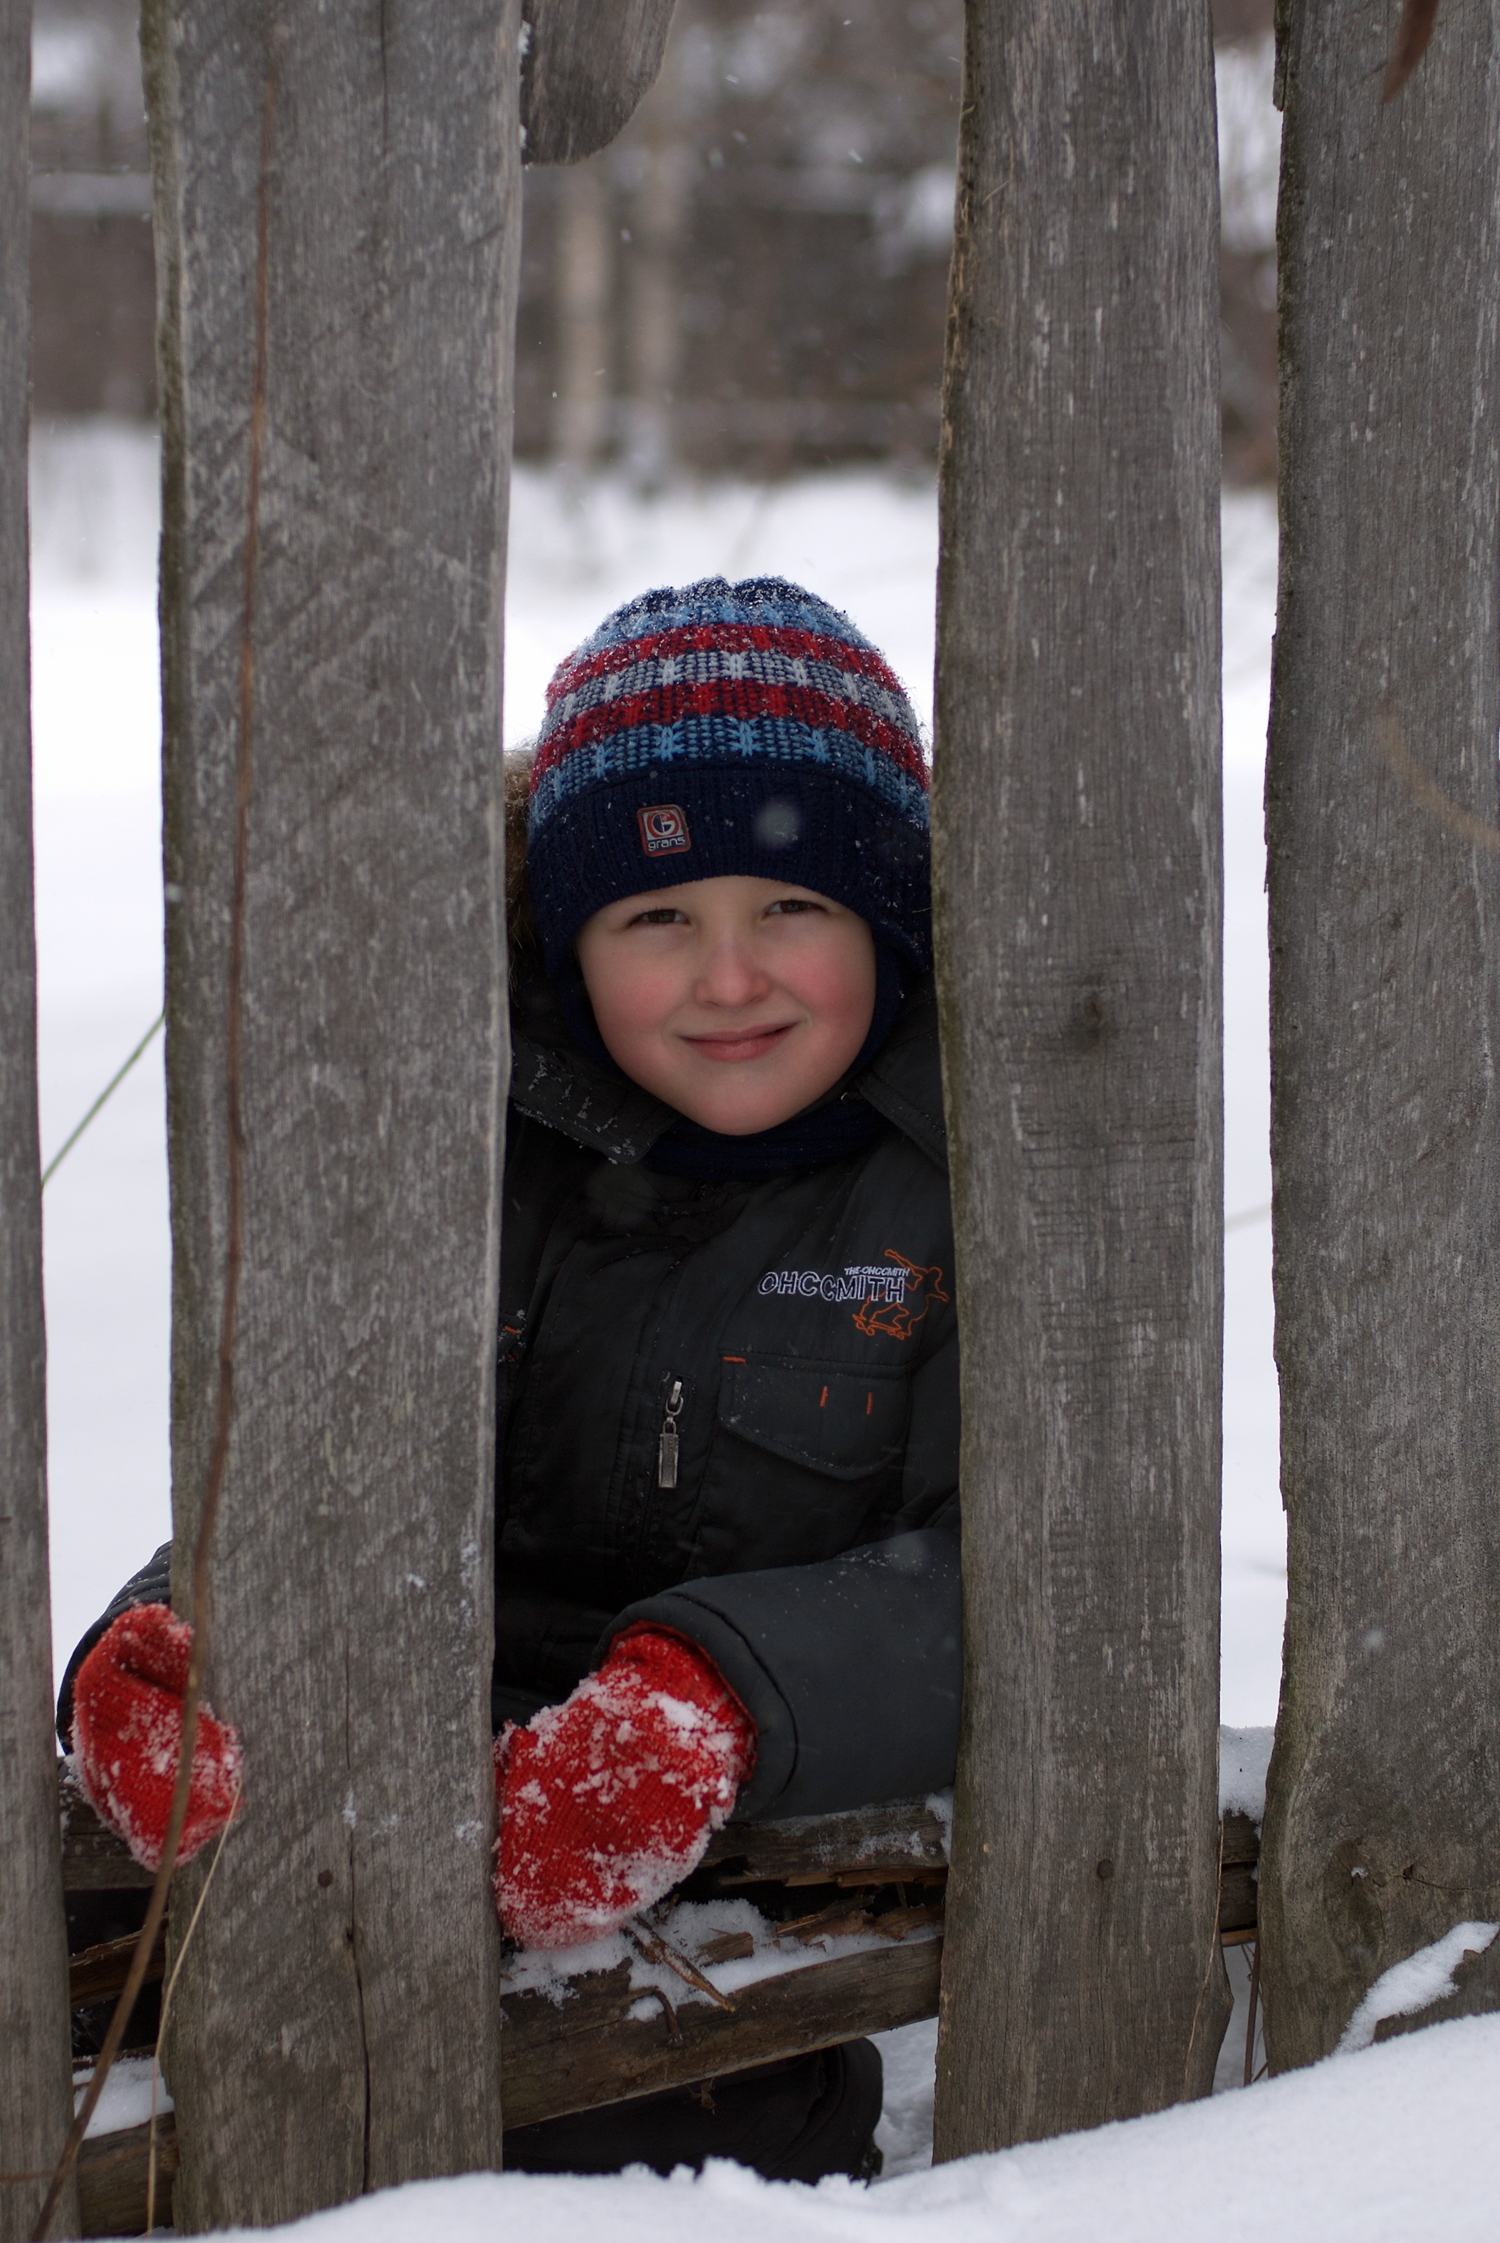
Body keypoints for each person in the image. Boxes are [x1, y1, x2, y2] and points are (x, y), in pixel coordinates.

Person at [61, 575, 961, 2184]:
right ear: (566, 939)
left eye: (795, 910)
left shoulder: (959, 1194)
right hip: (379, 1821)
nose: (729, 977)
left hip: (732, 1871)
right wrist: (155, 1640)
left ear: (889, 917)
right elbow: (308, 1480)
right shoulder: (478, 1152)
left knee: (640, 2118)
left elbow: (1003, 1576)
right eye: (658, 918)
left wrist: (720, 1697)